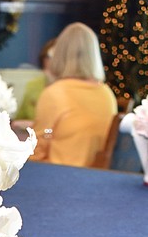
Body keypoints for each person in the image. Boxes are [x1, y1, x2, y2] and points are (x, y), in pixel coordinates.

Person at [29, 23, 117, 167]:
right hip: (96, 176)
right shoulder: (107, 93)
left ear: (60, 54)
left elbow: (39, 144)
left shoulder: (54, 93)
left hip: (58, 174)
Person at [16, 38, 56, 122]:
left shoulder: (71, 88)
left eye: (55, 57)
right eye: (48, 57)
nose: (51, 61)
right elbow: (19, 118)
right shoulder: (33, 85)